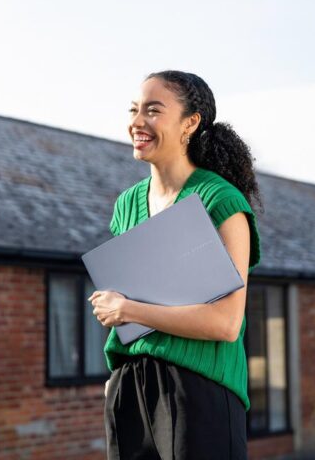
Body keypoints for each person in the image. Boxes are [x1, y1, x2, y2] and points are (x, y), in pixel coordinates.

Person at [89, 70, 262, 460]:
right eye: (134, 110)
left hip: (199, 390)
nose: (137, 122)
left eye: (153, 110)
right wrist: (116, 381)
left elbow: (226, 323)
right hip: (129, 386)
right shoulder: (127, 205)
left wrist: (126, 309)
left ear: (190, 123)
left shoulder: (221, 200)